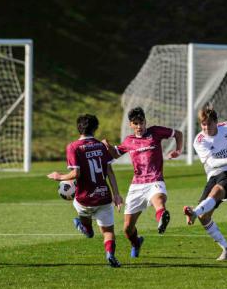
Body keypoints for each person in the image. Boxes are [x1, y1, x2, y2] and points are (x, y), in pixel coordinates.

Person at [104, 107, 183, 258]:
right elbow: (115, 154)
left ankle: (161, 218)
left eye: (141, 123)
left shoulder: (155, 132)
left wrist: (178, 151)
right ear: (131, 125)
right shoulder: (128, 141)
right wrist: (107, 146)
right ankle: (136, 243)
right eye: (136, 123)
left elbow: (178, 134)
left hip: (155, 179)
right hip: (137, 185)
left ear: (145, 122)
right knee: (127, 228)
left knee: (158, 200)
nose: (139, 126)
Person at [48, 114, 123, 268]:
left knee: (83, 213)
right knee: (108, 231)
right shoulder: (101, 146)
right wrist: (116, 194)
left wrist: (59, 177)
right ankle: (110, 255)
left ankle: (86, 228)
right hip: (104, 196)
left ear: (78, 128)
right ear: (95, 128)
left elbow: (76, 174)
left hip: (84, 198)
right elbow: (109, 171)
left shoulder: (73, 147)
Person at [184, 105, 227, 261]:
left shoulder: (226, 126)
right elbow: (212, 163)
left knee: (217, 191)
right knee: (204, 216)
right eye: (203, 124)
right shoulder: (199, 141)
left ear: (216, 122)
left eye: (209, 123)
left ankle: (193, 212)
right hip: (214, 174)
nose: (206, 127)